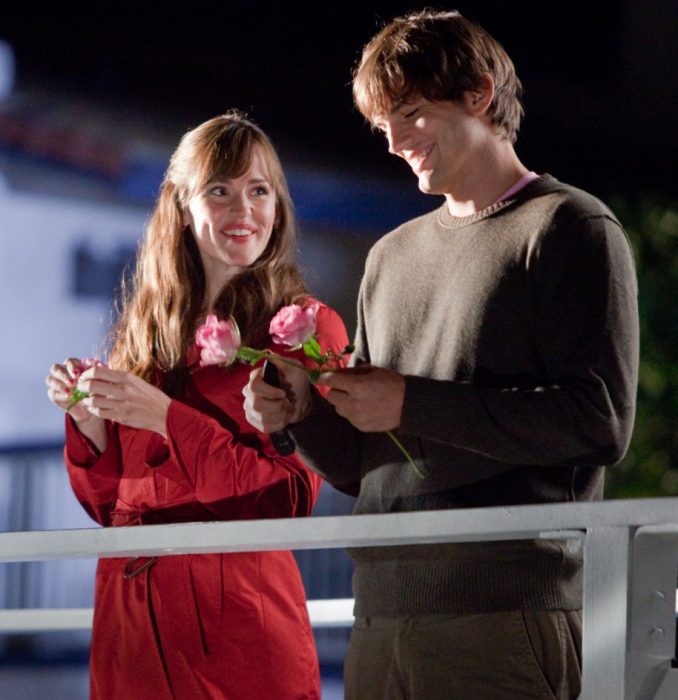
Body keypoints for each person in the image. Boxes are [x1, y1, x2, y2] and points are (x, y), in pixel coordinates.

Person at [243, 10, 639, 700]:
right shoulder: (391, 256)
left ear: (479, 94)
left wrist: (410, 400)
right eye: (382, 126)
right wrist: (302, 413)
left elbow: (599, 423)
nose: (394, 142)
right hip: (380, 617)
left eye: (412, 113)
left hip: (502, 617)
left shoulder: (571, 228)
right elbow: (373, 467)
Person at [45, 111, 349, 700]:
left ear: (279, 206)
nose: (245, 210)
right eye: (220, 191)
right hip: (128, 633)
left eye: (259, 190)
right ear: (181, 206)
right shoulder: (145, 335)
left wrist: (164, 417)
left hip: (237, 631)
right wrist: (89, 425)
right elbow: (112, 511)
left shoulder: (302, 329)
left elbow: (287, 500)